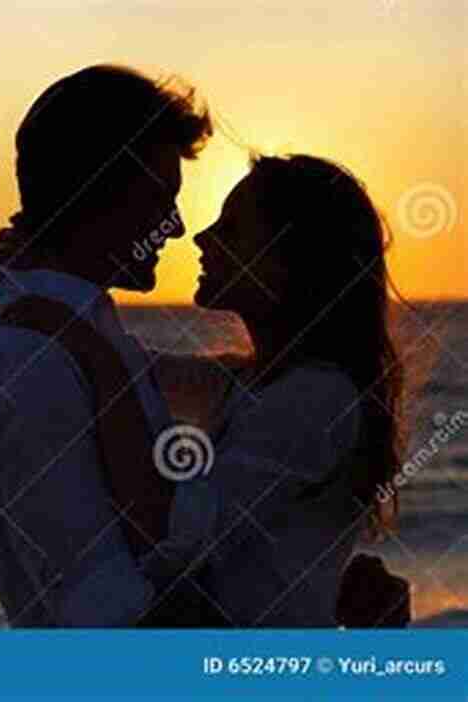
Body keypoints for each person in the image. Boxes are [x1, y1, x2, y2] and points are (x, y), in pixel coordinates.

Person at [0, 63, 214, 625]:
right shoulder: (24, 357)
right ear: (102, 192)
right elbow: (98, 602)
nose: (179, 227)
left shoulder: (84, 335)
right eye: (162, 196)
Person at [140, 154, 409, 626]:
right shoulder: (250, 382)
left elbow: (190, 532)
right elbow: (127, 367)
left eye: (231, 230)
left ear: (290, 263)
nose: (202, 239)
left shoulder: (315, 398)